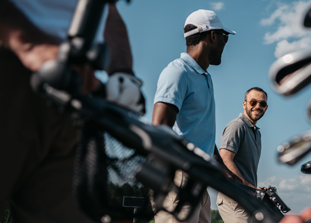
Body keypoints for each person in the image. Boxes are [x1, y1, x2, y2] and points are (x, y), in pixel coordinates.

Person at [0, 1, 144, 222]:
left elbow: (110, 13)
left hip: (78, 94)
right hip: (13, 64)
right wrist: (29, 44)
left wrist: (123, 74)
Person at [151, 9, 235, 223]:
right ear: (213, 36)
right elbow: (159, 129)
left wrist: (225, 173)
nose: (226, 43)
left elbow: (201, 132)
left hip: (200, 183)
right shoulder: (178, 72)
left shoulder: (205, 78)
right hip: (179, 181)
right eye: (224, 37)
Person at [217, 87, 269, 223]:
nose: (258, 106)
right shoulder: (237, 126)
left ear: (266, 107)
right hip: (233, 198)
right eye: (253, 102)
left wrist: (256, 190)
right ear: (244, 104)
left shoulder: (256, 132)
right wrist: (251, 188)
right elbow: (225, 160)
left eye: (262, 104)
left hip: (245, 198)